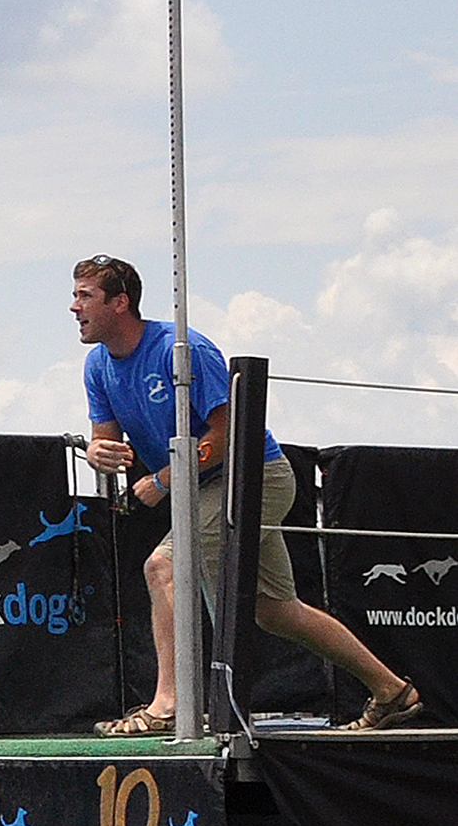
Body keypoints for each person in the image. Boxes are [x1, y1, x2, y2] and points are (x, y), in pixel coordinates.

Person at [71, 254, 425, 734]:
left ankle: (169, 706)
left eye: (85, 296)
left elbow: (227, 433)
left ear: (120, 303)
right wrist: (98, 453)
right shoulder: (97, 365)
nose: (74, 307)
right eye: (75, 295)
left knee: (163, 568)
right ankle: (393, 692)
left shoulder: (183, 350)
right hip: (202, 487)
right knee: (276, 612)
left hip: (256, 475)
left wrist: (163, 480)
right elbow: (105, 440)